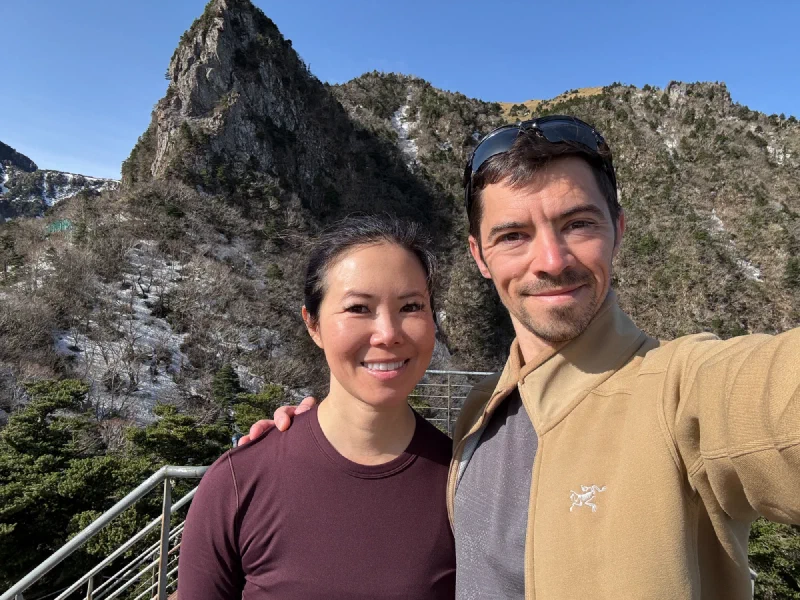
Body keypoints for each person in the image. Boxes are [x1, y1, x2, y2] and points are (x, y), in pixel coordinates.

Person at [241, 115, 800, 599]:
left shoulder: (679, 393)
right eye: (513, 235)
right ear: (479, 256)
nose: (552, 260)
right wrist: (308, 444)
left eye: (578, 224)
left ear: (618, 231)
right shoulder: (475, 422)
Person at [178, 216, 456, 599]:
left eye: (411, 306)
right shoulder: (239, 483)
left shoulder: (465, 483)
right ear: (313, 324)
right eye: (359, 308)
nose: (389, 333)